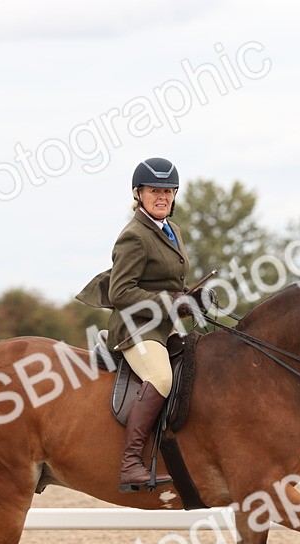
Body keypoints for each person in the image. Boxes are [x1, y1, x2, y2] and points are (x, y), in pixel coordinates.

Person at [76, 157, 195, 492]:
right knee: (160, 377)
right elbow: (121, 291)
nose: (163, 197)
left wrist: (193, 298)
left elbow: (165, 283)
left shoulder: (172, 230)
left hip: (163, 327)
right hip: (135, 328)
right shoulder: (134, 235)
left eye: (169, 191)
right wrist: (172, 302)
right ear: (138, 194)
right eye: (155, 190)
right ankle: (130, 464)